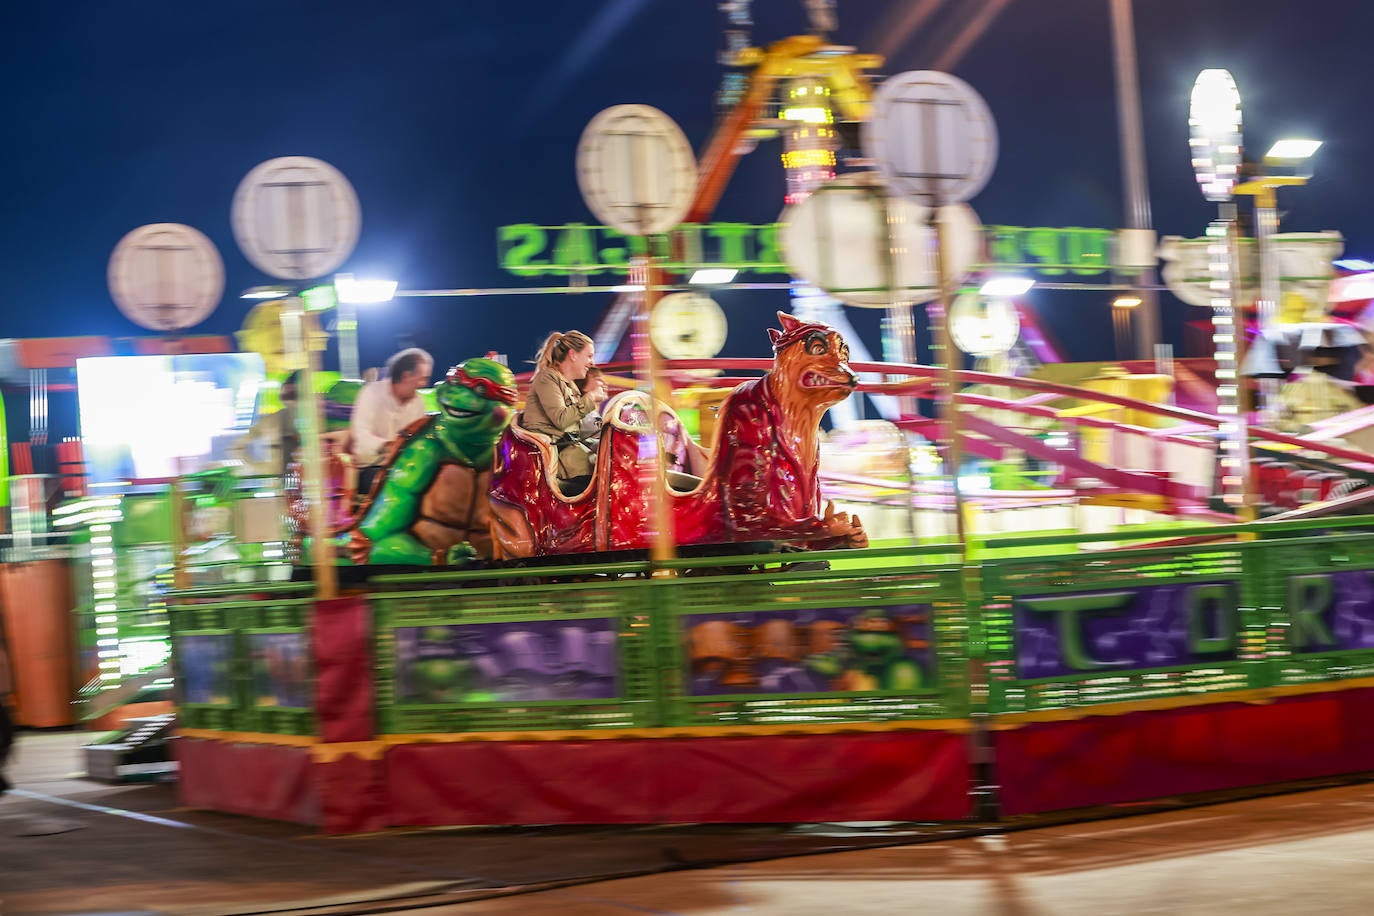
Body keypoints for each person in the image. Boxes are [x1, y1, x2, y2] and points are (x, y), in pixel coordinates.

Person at [522, 330, 607, 491]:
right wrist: (590, 397)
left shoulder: (570, 385)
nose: (592, 362)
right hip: (554, 457)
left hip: (569, 449)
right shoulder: (547, 378)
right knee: (606, 477)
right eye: (589, 356)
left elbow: (577, 430)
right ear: (573, 355)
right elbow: (561, 420)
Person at [350, 348, 434, 497]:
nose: (424, 384)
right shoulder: (371, 393)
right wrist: (388, 446)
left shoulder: (418, 402)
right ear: (406, 376)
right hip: (371, 468)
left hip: (403, 469)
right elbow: (361, 437)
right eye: (422, 378)